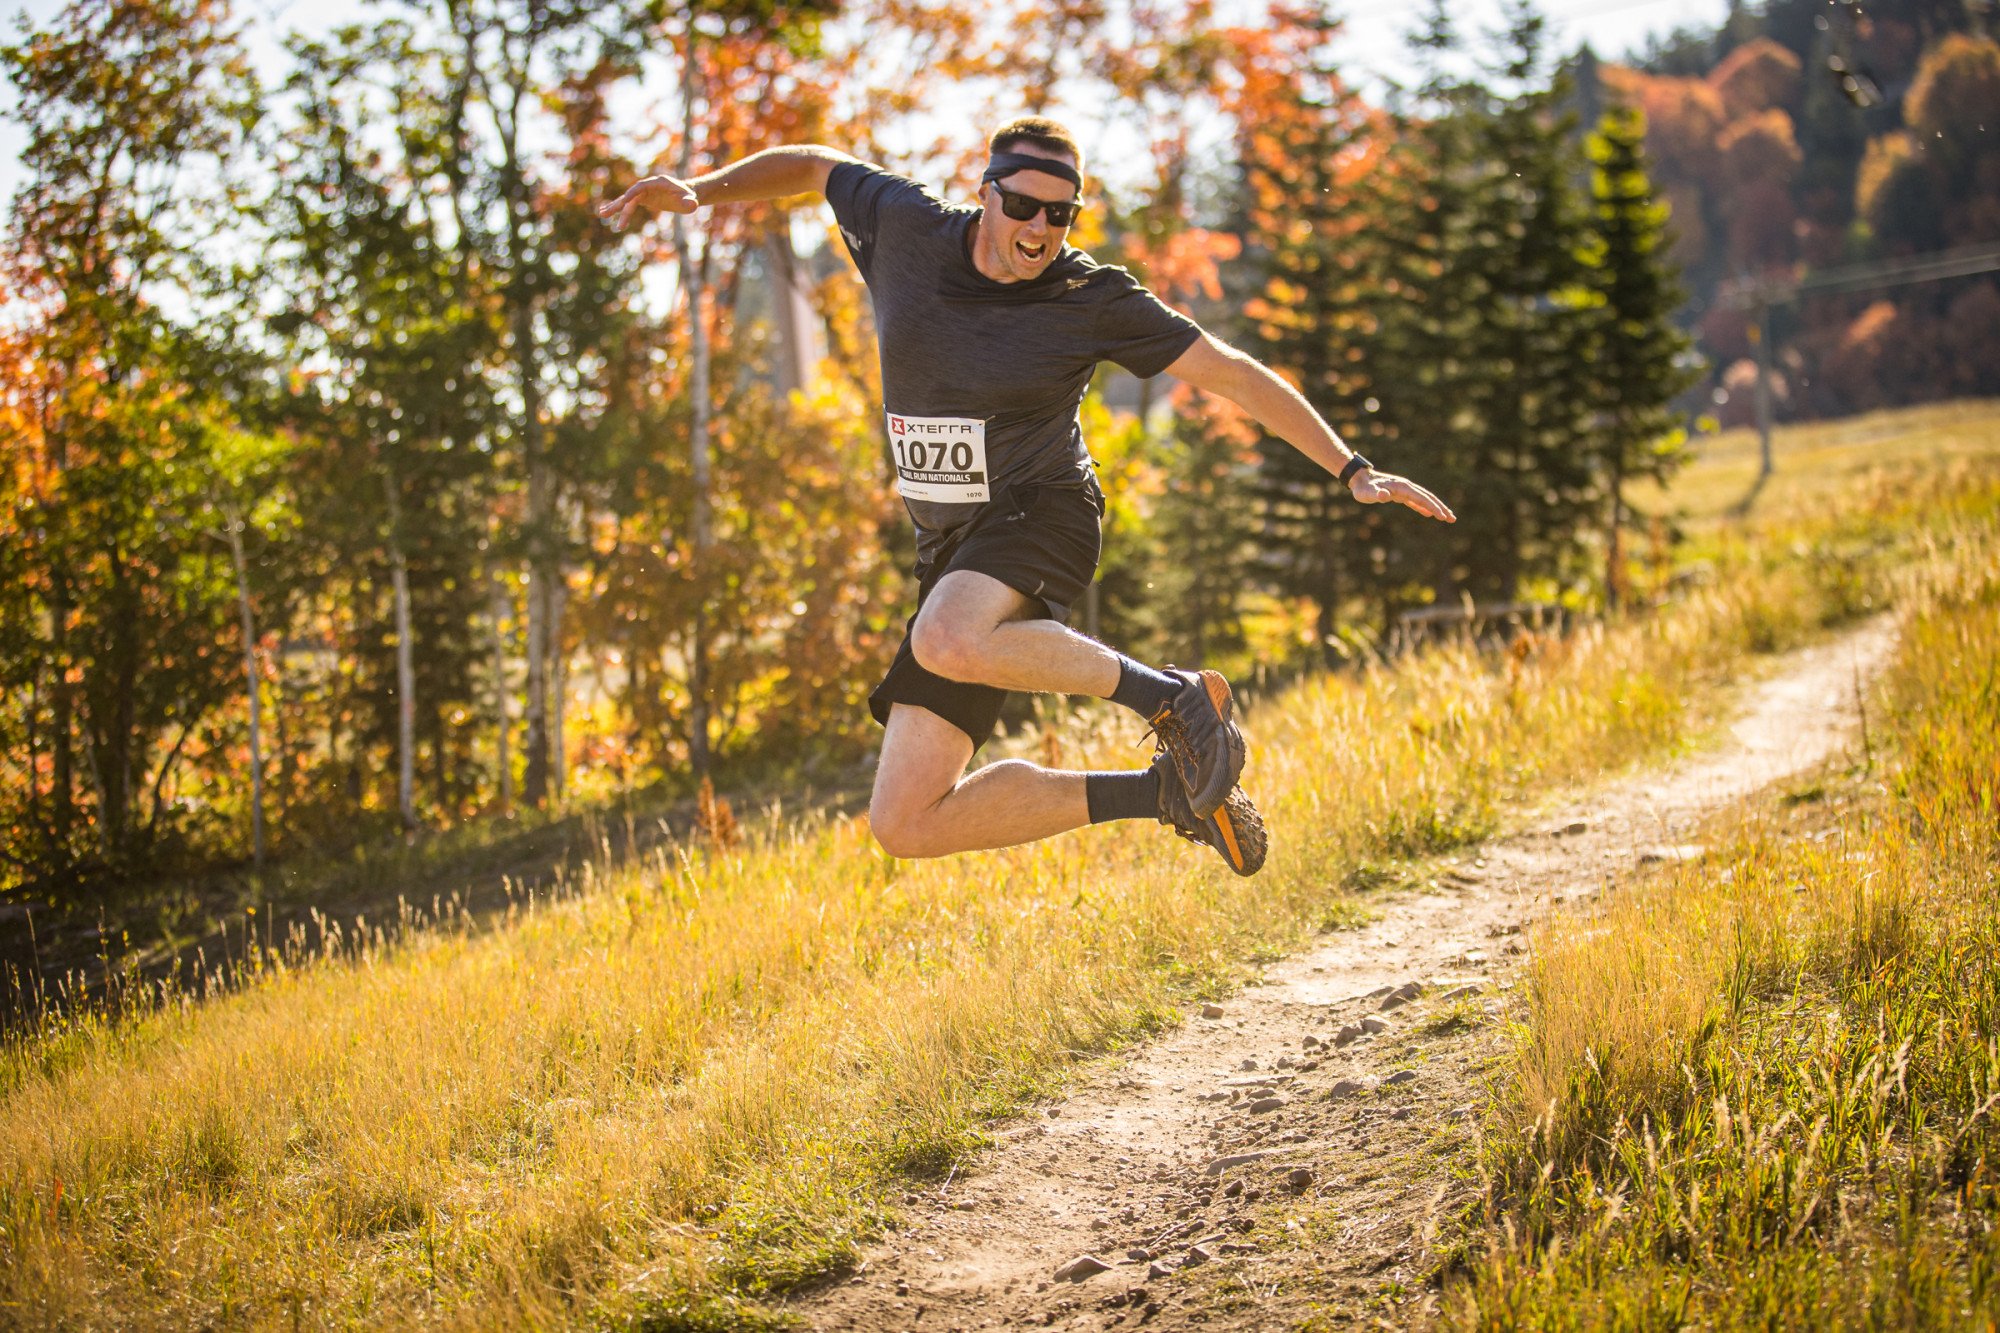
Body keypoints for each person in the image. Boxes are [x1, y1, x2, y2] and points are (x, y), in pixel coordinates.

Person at [598, 117, 1454, 877]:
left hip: (1043, 512)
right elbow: (815, 163)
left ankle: (1175, 699)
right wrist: (702, 190)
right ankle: (1167, 796)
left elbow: (1231, 374)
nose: (1040, 228)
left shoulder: (1090, 297)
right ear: (986, 195)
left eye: (1061, 214)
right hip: (951, 547)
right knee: (905, 820)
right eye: (1024, 206)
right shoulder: (905, 228)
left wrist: (1351, 469)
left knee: (947, 634)